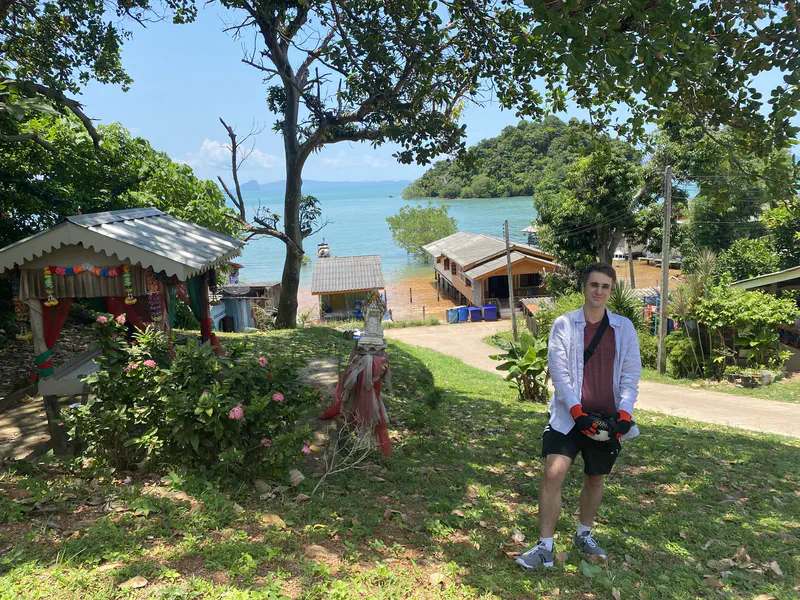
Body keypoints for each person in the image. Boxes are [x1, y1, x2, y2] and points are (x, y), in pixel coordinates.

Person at [516, 263, 642, 569]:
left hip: (606, 420)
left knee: (595, 478)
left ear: (611, 291)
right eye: (594, 285)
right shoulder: (564, 324)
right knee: (553, 473)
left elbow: (630, 373)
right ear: (584, 288)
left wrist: (625, 414)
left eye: (605, 286)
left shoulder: (623, 328)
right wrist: (577, 412)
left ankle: (584, 535)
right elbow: (559, 373)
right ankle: (545, 546)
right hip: (568, 416)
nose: (599, 291)